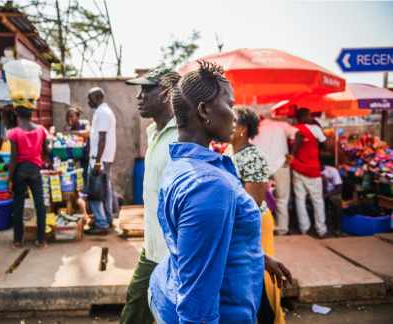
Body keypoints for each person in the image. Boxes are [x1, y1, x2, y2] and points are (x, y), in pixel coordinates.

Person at [149, 61, 291, 324]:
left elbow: (200, 244)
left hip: (167, 288)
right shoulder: (209, 185)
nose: (235, 115)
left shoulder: (184, 163)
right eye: (230, 104)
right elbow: (197, 302)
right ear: (204, 111)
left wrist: (256, 255)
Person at [120, 67, 178, 324]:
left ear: (167, 94)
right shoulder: (153, 132)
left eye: (146, 90)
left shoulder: (181, 138)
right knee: (137, 302)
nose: (139, 97)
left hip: (172, 251)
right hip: (152, 245)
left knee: (150, 310)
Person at [226, 106, 289, 324]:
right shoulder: (228, 151)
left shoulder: (253, 155)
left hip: (254, 222)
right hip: (238, 223)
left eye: (232, 119)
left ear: (242, 128)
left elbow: (253, 203)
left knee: (260, 273)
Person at [7, 106, 50, 249]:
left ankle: (18, 240)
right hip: (35, 170)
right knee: (40, 204)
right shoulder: (41, 130)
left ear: (17, 114)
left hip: (19, 170)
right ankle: (41, 240)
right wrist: (50, 140)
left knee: (18, 204)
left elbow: (13, 158)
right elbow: (47, 150)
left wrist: (9, 180)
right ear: (32, 114)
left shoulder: (14, 133)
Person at [251, 114, 302, 236]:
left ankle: (263, 228)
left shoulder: (255, 130)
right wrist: (292, 154)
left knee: (260, 200)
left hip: (261, 167)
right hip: (280, 165)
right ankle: (282, 228)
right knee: (282, 198)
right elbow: (299, 134)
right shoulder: (281, 125)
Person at [291, 108, 328, 238]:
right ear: (306, 116)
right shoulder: (315, 128)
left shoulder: (292, 129)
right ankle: (321, 230)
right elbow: (326, 147)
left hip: (296, 167)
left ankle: (304, 229)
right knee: (317, 200)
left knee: (300, 199)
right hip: (312, 169)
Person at [84, 87, 116, 235]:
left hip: (100, 159)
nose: (88, 101)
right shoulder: (102, 111)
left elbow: (102, 138)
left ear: (97, 98)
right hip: (104, 158)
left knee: (95, 191)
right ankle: (107, 219)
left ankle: (101, 223)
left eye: (90, 98)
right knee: (105, 190)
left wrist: (97, 162)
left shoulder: (103, 113)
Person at [64, 106, 91, 184]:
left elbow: (88, 133)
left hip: (88, 153)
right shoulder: (69, 130)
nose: (69, 118)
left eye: (71, 116)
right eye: (68, 116)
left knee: (88, 175)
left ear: (78, 116)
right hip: (78, 155)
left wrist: (73, 133)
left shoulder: (84, 124)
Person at [321, 163, 343, 236]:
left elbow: (339, 188)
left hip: (332, 193)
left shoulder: (332, 170)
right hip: (319, 194)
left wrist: (327, 195)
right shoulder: (312, 170)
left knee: (335, 200)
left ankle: (338, 228)